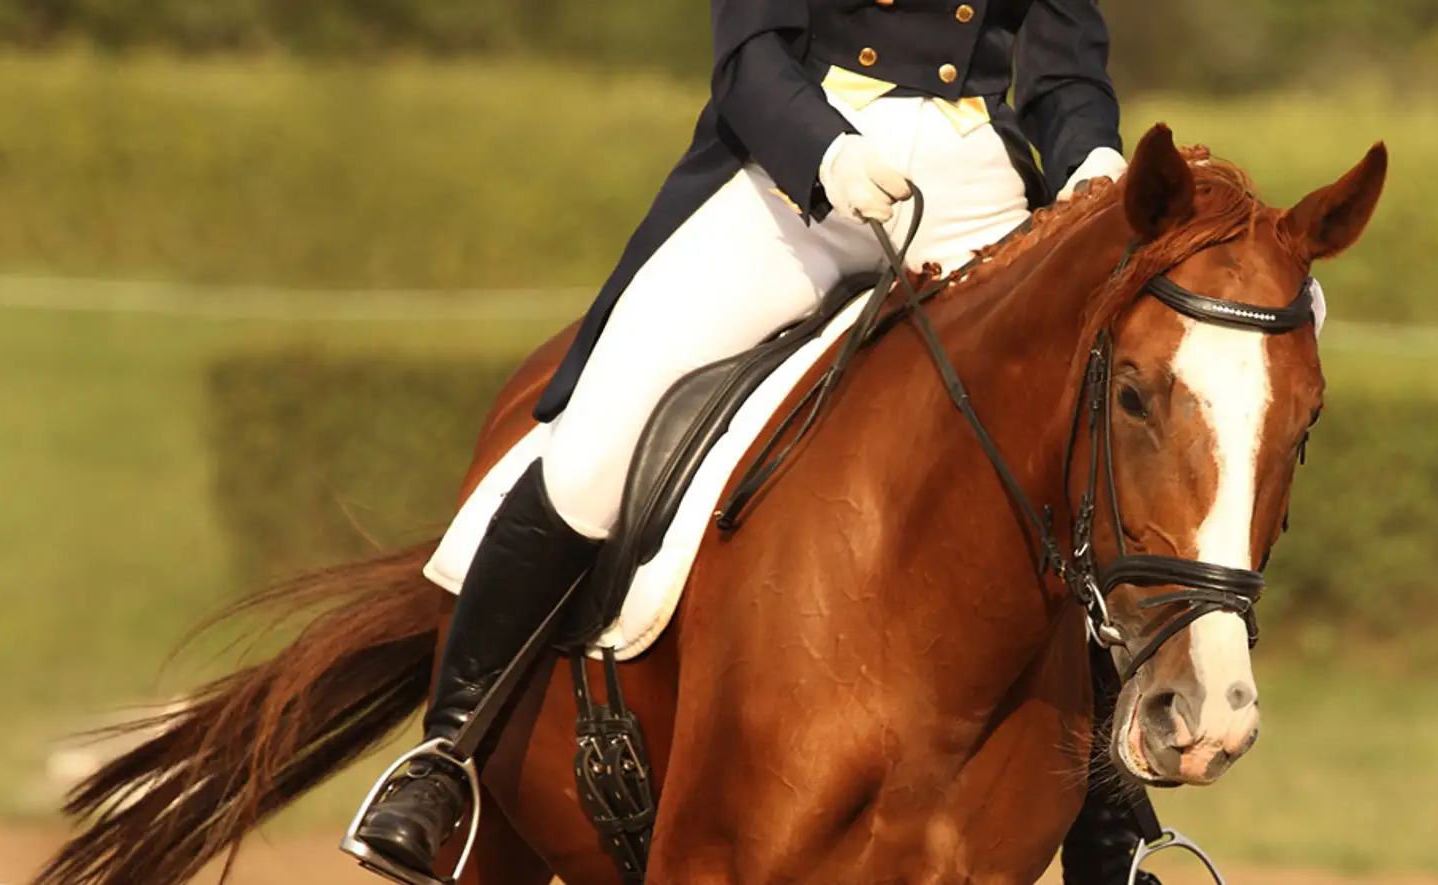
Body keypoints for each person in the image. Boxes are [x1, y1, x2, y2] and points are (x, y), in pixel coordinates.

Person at [349, 0, 1157, 880]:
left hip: (979, 189)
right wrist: (826, 151)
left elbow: (1065, 63)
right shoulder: (805, 148)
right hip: (795, 176)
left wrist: (1091, 160)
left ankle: (1110, 813)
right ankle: (445, 757)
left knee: (1080, 447)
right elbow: (750, 51)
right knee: (593, 452)